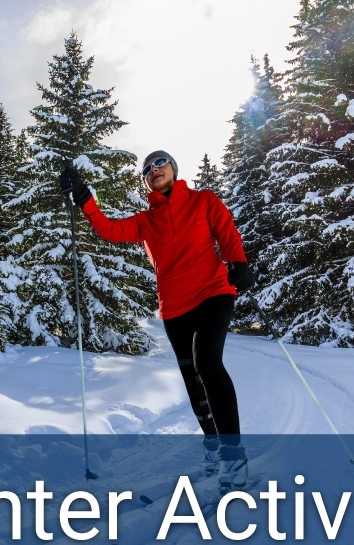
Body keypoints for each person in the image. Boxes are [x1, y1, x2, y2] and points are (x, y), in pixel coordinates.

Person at [59, 151, 255, 492]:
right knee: (192, 378)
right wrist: (87, 201)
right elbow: (109, 230)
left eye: (159, 163)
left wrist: (238, 262)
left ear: (174, 169)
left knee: (208, 363)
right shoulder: (146, 221)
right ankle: (212, 445)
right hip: (175, 306)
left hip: (213, 291)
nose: (153, 171)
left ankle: (233, 456)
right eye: (147, 170)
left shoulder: (203, 200)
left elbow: (225, 231)